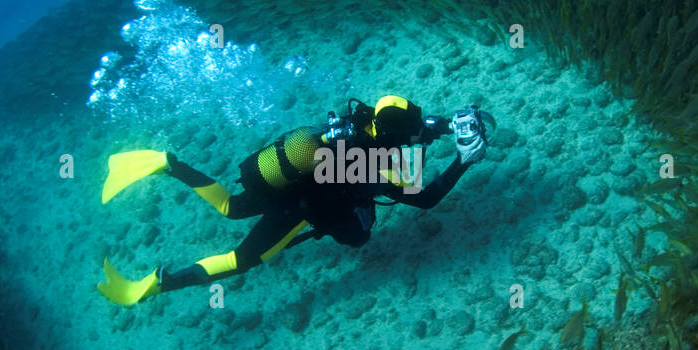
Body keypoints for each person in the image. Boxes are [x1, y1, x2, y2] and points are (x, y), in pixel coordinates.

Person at [96, 95, 492, 304]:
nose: (415, 134)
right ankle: (158, 284)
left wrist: (439, 125)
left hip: (288, 183)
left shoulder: (362, 122)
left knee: (231, 207)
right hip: (301, 208)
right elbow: (426, 200)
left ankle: (169, 165)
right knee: (242, 260)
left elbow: (407, 124)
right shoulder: (380, 165)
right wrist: (463, 160)